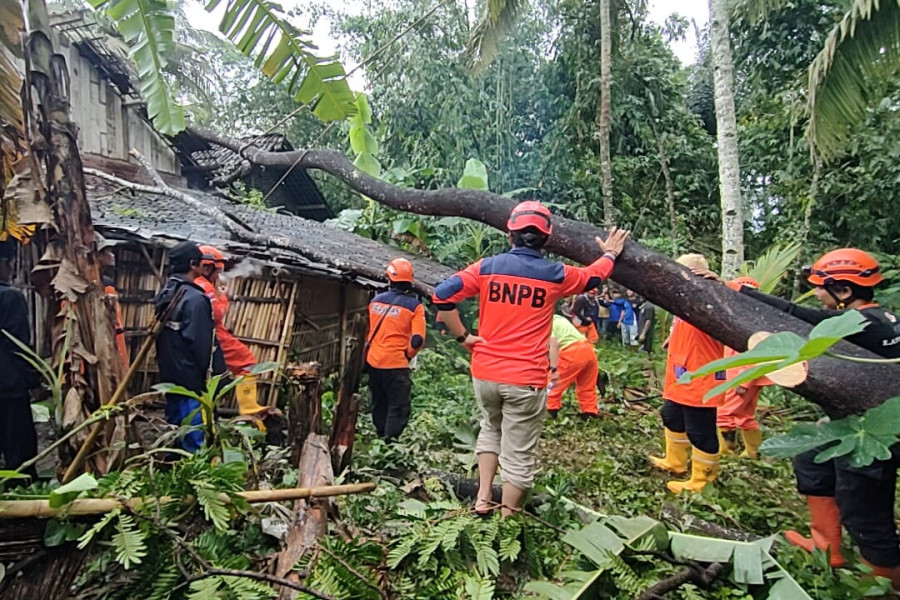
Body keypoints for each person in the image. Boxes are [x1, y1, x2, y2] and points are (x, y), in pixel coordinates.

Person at [432, 200, 629, 517]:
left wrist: (463, 337)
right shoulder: (555, 274)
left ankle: (482, 499)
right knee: (519, 453)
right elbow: (593, 278)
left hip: (485, 374)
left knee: (490, 429)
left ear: (510, 234)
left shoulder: (487, 267)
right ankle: (507, 519)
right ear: (546, 239)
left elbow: (442, 294)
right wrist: (609, 254)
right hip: (526, 379)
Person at [739, 248, 900, 582]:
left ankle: (884, 579)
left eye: (821, 288)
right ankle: (827, 545)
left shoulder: (861, 324)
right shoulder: (881, 318)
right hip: (860, 415)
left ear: (844, 291)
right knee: (812, 456)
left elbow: (797, 314)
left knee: (863, 506)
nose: (818, 294)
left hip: (877, 428)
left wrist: (742, 292)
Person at [649, 253, 725, 494]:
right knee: (671, 415)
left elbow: (732, 307)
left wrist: (720, 285)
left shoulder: (713, 297)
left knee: (700, 429)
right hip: (682, 372)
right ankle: (676, 462)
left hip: (702, 374)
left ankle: (703, 481)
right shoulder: (684, 299)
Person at [153, 241, 215, 452]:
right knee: (192, 425)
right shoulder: (195, 299)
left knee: (173, 421)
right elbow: (199, 342)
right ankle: (193, 468)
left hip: (168, 368)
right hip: (189, 373)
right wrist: (204, 372)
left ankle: (171, 460)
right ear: (193, 265)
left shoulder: (164, 292)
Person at [196, 246, 269, 420]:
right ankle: (249, 409)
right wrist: (223, 297)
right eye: (219, 271)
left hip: (202, 334)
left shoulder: (196, 284)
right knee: (247, 363)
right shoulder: (204, 286)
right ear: (207, 267)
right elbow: (217, 313)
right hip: (214, 334)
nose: (219, 275)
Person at [366, 258, 426, 441]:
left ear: (389, 278)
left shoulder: (375, 301)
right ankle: (390, 442)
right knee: (398, 406)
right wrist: (407, 354)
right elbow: (417, 339)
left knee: (379, 401)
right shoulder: (415, 307)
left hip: (373, 361)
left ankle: (379, 436)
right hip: (396, 364)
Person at [717, 276, 771, 459]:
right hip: (742, 374)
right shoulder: (740, 317)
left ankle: (726, 453)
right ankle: (754, 452)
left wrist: (744, 379)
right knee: (745, 416)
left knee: (723, 414)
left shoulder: (753, 321)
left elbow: (757, 353)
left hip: (742, 375)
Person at [0, 239, 39, 476]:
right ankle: (20, 496)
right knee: (19, 449)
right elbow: (18, 345)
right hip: (8, 387)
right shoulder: (10, 298)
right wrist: (33, 379)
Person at [547, 313, 600, 419]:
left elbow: (553, 344)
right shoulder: (557, 317)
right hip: (588, 349)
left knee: (553, 383)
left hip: (572, 352)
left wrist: (553, 368)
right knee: (587, 385)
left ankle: (549, 410)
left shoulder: (545, 321)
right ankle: (589, 412)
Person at [96, 233, 129, 371]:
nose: (113, 255)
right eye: (107, 251)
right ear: (97, 256)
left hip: (114, 342)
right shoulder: (86, 286)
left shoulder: (108, 284)